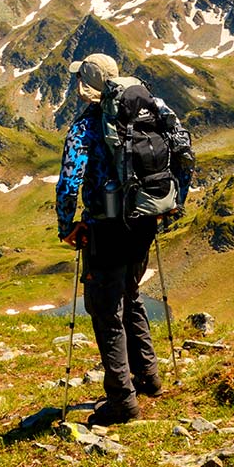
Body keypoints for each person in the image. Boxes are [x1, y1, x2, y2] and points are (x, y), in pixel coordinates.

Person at [55, 53, 159, 426]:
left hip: (106, 226)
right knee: (130, 295)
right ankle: (148, 377)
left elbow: (70, 181)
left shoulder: (85, 128)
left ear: (86, 87)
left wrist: (66, 226)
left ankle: (121, 401)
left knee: (105, 311)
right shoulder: (145, 114)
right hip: (144, 221)